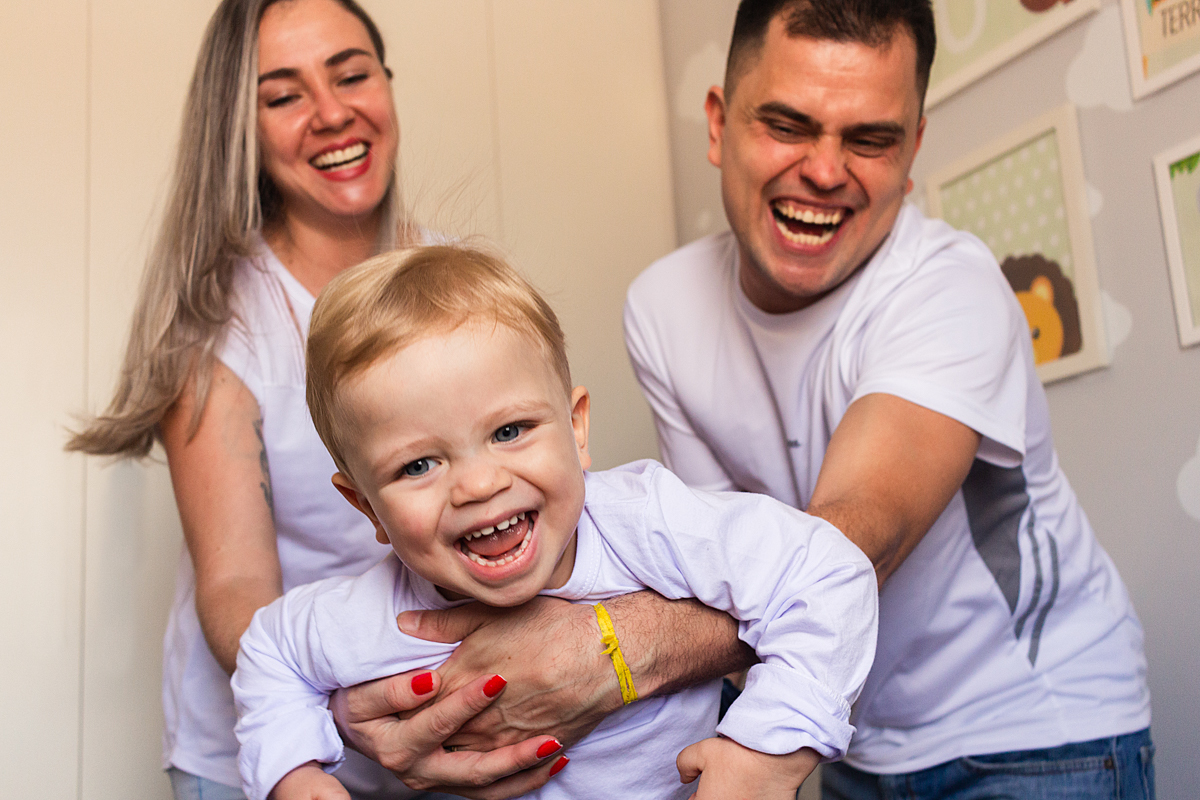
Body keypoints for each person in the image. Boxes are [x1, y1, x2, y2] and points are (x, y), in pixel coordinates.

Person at [623, 1, 1154, 798]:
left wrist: (614, 660)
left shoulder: (952, 286)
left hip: (1032, 729)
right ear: (717, 123)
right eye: (788, 125)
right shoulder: (663, 307)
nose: (827, 171)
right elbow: (711, 565)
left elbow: (858, 538)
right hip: (847, 733)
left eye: (870, 138)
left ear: (912, 152)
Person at [67, 1, 576, 797]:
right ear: (240, 127)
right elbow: (238, 590)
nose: (332, 113)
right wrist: (355, 707)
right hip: (273, 745)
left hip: (441, 723)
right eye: (283, 95)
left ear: (386, 83)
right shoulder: (218, 330)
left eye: (350, 75)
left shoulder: (457, 287)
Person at [231, 244, 877, 800]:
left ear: (576, 427)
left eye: (510, 431)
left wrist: (768, 751)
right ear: (366, 507)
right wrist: (292, 770)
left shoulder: (645, 521)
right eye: (420, 465)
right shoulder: (378, 615)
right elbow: (271, 650)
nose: (480, 484)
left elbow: (828, 571)